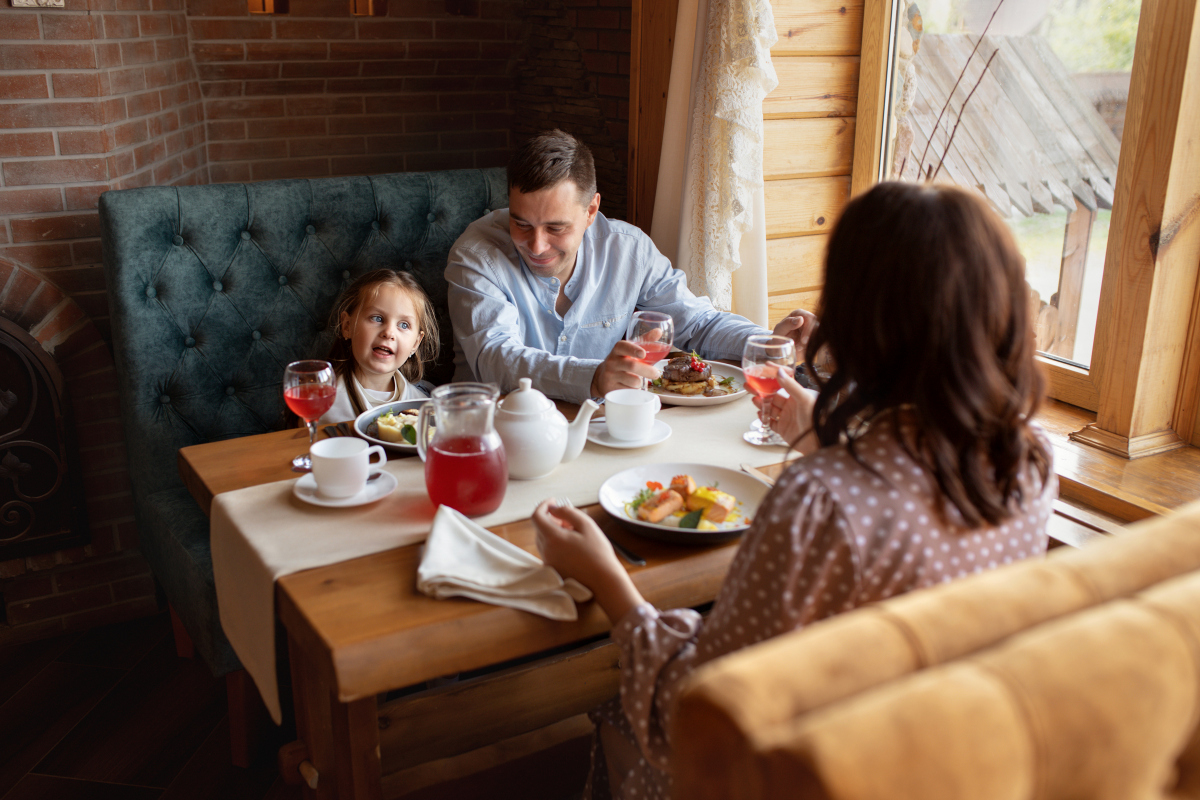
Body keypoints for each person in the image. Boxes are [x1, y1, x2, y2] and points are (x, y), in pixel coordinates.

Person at [531, 181, 1057, 799]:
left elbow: (697, 715)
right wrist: (827, 441)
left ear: (861, 320)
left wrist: (609, 581)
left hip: (801, 774)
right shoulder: (1027, 459)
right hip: (932, 759)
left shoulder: (820, 499)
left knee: (615, 708)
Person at [445, 129, 815, 403]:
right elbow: (496, 358)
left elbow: (698, 323)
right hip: (497, 433)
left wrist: (767, 344)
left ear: (591, 210)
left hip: (607, 430)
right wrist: (592, 377)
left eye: (556, 228)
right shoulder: (475, 255)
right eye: (521, 224)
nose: (537, 245)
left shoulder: (629, 249)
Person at [319, 269, 440, 425]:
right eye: (377, 318)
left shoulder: (425, 408)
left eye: (404, 325)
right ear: (347, 326)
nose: (389, 333)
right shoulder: (320, 405)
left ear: (415, 343)